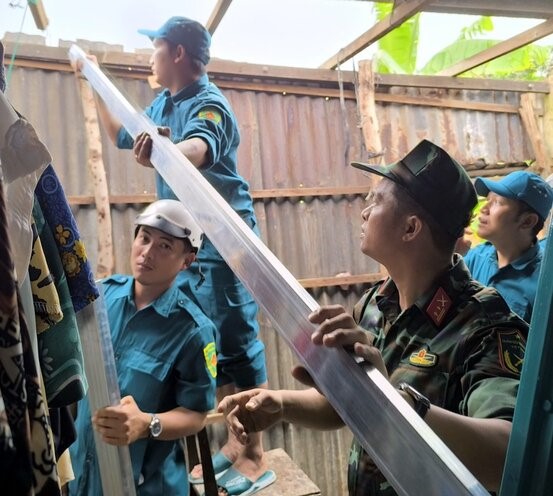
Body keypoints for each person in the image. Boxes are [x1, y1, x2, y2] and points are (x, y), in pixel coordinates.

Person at [218, 140, 529, 496]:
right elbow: (350, 405)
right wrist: (282, 404)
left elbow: (507, 456)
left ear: (410, 229)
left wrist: (395, 403)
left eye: (377, 201)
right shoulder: (373, 305)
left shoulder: (485, 322)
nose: (364, 212)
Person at [79, 16, 271, 492]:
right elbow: (121, 132)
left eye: (156, 47)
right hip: (185, 244)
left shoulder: (211, 104)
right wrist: (94, 80)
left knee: (237, 339)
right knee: (200, 345)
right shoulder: (164, 101)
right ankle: (226, 441)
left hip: (225, 241)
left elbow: (198, 149)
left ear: (178, 54)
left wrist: (165, 150)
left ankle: (252, 450)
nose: (150, 56)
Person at [68, 199, 217, 495]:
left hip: (146, 487)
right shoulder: (98, 298)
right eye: (144, 238)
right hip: (82, 477)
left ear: (187, 260)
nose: (147, 252)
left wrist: (147, 423)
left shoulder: (194, 330)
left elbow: (197, 415)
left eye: (164, 246)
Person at [464, 170, 553, 322]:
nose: (484, 209)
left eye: (497, 202)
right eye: (488, 200)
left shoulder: (545, 284)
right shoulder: (473, 259)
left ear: (527, 221)